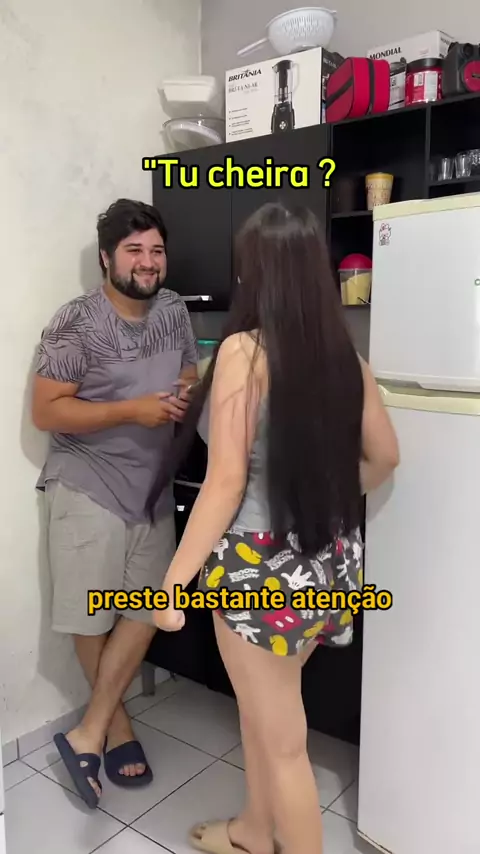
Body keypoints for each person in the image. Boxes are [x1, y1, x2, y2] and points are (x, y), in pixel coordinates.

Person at [148, 202, 400, 854]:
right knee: (263, 713)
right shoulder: (348, 360)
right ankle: (254, 832)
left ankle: (272, 834)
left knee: (285, 741)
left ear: (255, 272)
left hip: (261, 569)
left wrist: (172, 584)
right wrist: (317, 498)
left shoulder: (243, 351)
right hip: (329, 560)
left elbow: (225, 482)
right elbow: (384, 458)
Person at [31, 198, 198, 809]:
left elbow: (188, 372)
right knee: (90, 615)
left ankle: (90, 729)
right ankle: (116, 726)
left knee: (146, 608)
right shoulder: (75, 322)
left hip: (152, 488)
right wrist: (132, 410)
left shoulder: (174, 309)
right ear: (107, 258)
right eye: (134, 251)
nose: (147, 262)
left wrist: (186, 392)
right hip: (88, 483)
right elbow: (47, 411)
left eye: (156, 250)